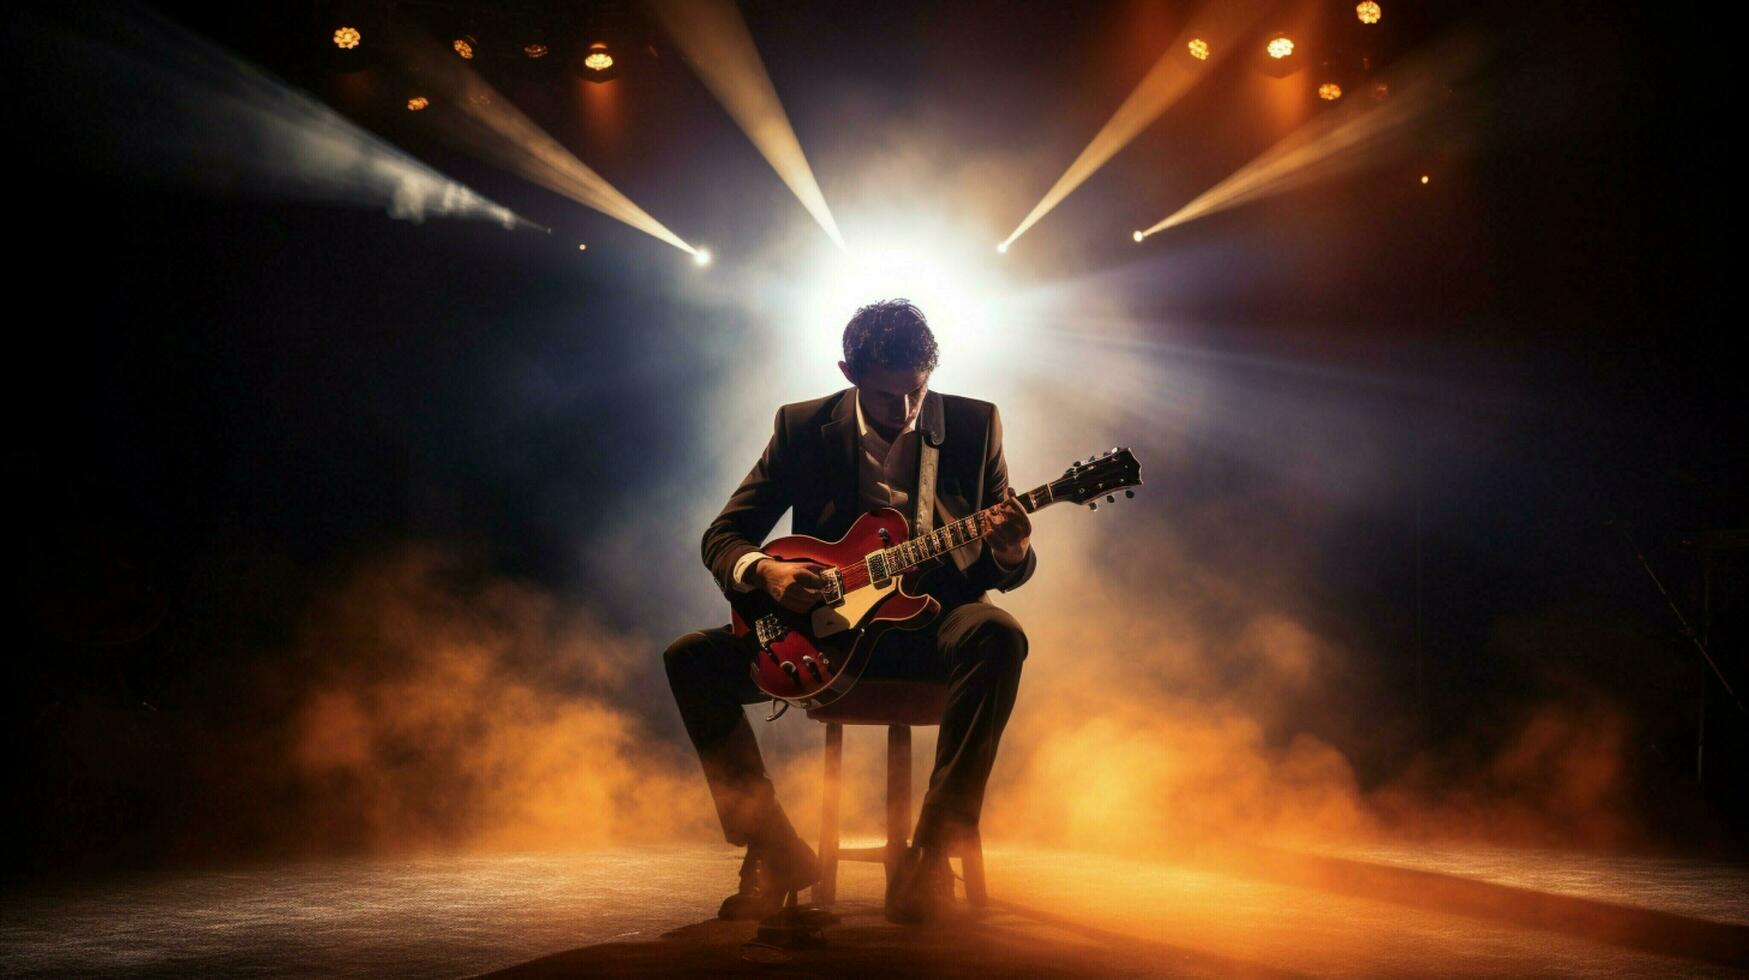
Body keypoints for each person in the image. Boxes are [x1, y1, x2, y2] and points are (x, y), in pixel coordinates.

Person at [663, 298, 1035, 924]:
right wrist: (770, 572)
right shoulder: (801, 427)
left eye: (917, 390)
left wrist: (1013, 552)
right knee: (690, 660)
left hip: (934, 625)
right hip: (828, 636)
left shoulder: (974, 425)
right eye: (888, 395)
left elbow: (1006, 562)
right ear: (848, 372)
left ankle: (934, 851)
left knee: (998, 634)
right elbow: (722, 537)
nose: (907, 409)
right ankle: (773, 849)